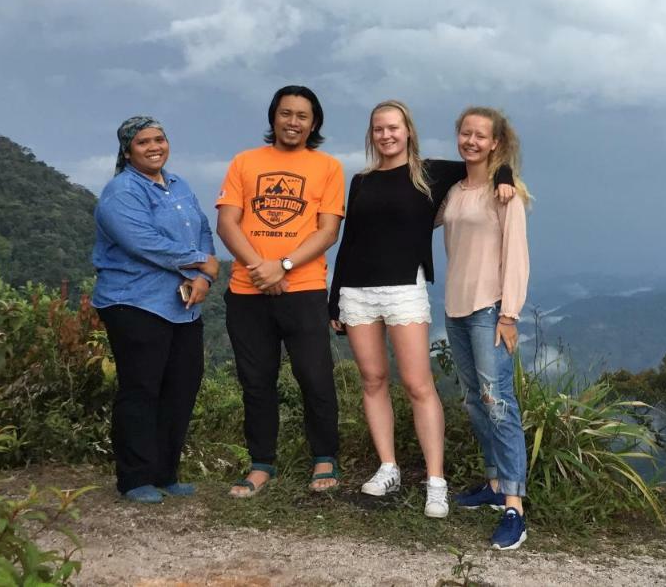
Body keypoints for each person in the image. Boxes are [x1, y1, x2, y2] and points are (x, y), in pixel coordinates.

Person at [328, 100, 513, 518]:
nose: (386, 135)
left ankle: (435, 480)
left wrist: (504, 175)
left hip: (404, 289)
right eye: (378, 129)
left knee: (418, 384)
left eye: (393, 127)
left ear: (408, 130)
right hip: (357, 291)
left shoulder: (431, 172)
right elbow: (349, 241)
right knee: (373, 379)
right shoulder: (360, 181)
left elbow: (481, 160)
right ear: (371, 134)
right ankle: (388, 467)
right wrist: (334, 296)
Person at [216, 86, 345, 496]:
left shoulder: (327, 167)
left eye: (302, 116)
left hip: (304, 288)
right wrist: (261, 269)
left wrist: (283, 265)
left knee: (315, 377)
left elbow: (328, 230)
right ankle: (260, 463)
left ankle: (325, 457)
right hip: (247, 289)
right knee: (256, 380)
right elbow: (227, 223)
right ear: (273, 118)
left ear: (314, 123)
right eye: (286, 113)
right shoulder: (244, 162)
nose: (293, 122)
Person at [92, 116, 218, 504]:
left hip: (182, 304)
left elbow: (201, 229)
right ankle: (135, 477)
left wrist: (204, 278)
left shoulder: (179, 185)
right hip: (133, 301)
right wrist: (199, 261)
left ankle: (166, 472)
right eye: (143, 142)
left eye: (159, 139)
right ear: (128, 150)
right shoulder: (121, 192)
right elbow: (143, 242)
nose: (153, 147)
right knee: (141, 388)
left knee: (181, 385)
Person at [439, 106, 532, 550]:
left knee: (499, 404)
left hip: (489, 308)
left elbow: (516, 253)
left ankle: (515, 506)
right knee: (475, 401)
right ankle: (495, 485)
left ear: (496, 142)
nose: (471, 141)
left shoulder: (505, 194)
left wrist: (509, 313)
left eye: (481, 136)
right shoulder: (454, 191)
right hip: (455, 309)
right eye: (465, 133)